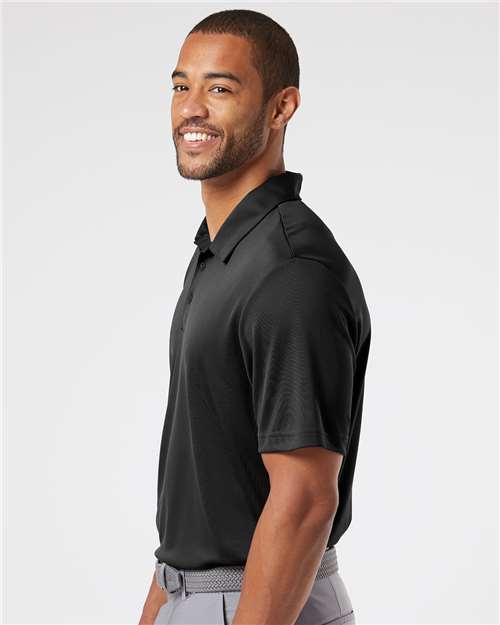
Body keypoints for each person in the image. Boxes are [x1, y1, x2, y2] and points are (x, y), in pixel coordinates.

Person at [139, 8, 371, 625]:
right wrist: (162, 605)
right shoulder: (222, 253)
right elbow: (200, 492)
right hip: (196, 596)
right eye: (181, 86)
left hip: (259, 602)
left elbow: (305, 500)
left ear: (280, 107)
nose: (191, 108)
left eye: (220, 88)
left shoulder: (290, 271)